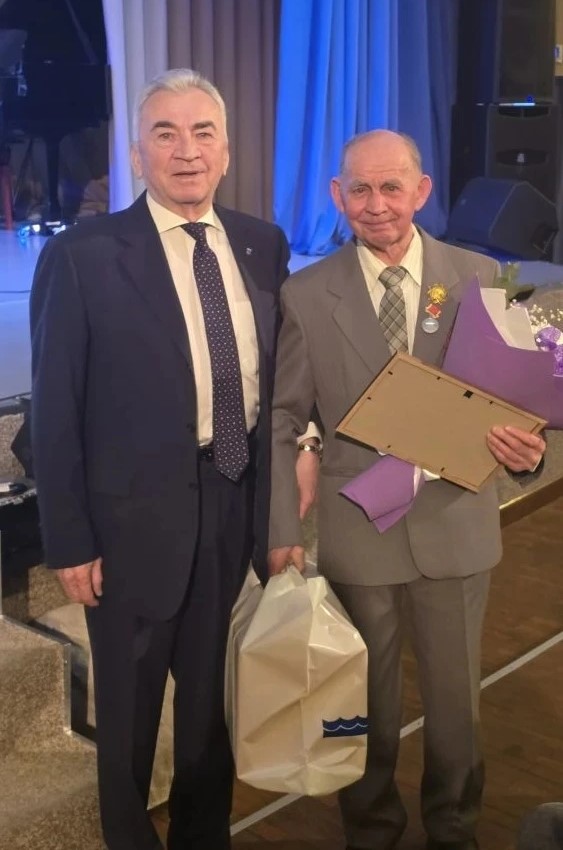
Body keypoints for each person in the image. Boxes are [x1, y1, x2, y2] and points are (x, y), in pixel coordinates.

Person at [30, 68, 296, 850]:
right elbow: (55, 409)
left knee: (210, 706)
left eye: (202, 133)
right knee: (130, 715)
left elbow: (281, 377)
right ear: (137, 155)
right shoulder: (83, 255)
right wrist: (69, 539)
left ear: (226, 151)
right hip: (129, 525)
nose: (187, 152)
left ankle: (203, 836)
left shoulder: (261, 243)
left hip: (233, 501)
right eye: (165, 134)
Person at [268, 129, 546, 850]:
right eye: (359, 189)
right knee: (365, 705)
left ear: (421, 192)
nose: (376, 204)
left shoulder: (481, 276)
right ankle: (370, 830)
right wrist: (282, 526)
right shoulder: (304, 294)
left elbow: (523, 401)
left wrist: (529, 452)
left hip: (455, 523)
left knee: (456, 708)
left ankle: (454, 828)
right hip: (359, 528)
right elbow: (285, 416)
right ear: (337, 196)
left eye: (391, 187)